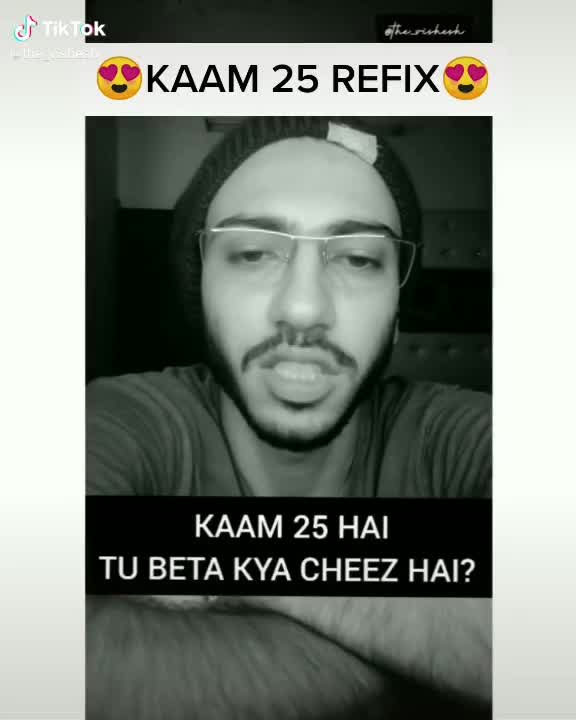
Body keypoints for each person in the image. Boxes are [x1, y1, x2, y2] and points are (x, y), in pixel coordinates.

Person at [86, 116, 491, 720]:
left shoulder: (457, 435)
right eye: (252, 253)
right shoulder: (127, 419)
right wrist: (440, 654)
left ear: (397, 307)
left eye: (359, 259)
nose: (303, 309)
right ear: (201, 288)